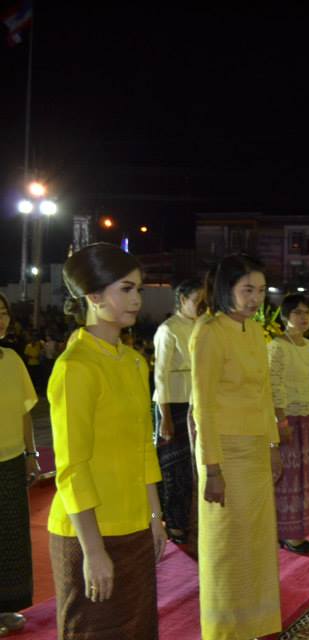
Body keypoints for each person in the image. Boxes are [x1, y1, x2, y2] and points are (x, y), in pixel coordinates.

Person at [46, 243, 166, 638]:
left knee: (137, 629)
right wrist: (93, 551)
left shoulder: (133, 362)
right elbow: (71, 466)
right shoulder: (76, 367)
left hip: (133, 523)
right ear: (93, 296)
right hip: (88, 531)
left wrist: (154, 515)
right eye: (126, 289)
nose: (137, 299)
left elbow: (143, 447)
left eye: (139, 290)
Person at [191, 254, 282, 639]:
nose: (255, 299)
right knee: (227, 547)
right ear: (226, 288)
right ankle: (225, 630)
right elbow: (202, 406)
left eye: (260, 291)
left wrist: (274, 442)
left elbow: (264, 394)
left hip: (257, 451)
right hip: (224, 454)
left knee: (257, 544)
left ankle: (256, 625)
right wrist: (212, 468)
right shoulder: (209, 333)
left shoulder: (254, 332)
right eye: (247, 290)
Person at [268, 294, 309, 555]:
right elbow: (274, 385)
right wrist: (280, 420)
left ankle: (301, 529)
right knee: (289, 476)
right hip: (288, 417)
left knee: (308, 475)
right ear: (284, 317)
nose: (303, 318)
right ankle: (286, 532)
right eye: (297, 313)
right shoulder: (277, 346)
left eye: (307, 313)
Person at [152, 278, 202, 546]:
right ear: (182, 300)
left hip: (197, 405)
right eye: (198, 301)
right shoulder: (168, 330)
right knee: (174, 468)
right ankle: (173, 522)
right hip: (173, 404)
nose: (202, 307)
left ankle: (191, 519)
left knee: (196, 466)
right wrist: (166, 417)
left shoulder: (203, 327)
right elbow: (160, 376)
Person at [0, 293, 39, 636]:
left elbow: (25, 411)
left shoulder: (12, 359)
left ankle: (4, 607)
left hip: (11, 460)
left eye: (3, 313)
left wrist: (30, 454)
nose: (0, 319)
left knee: (11, 537)